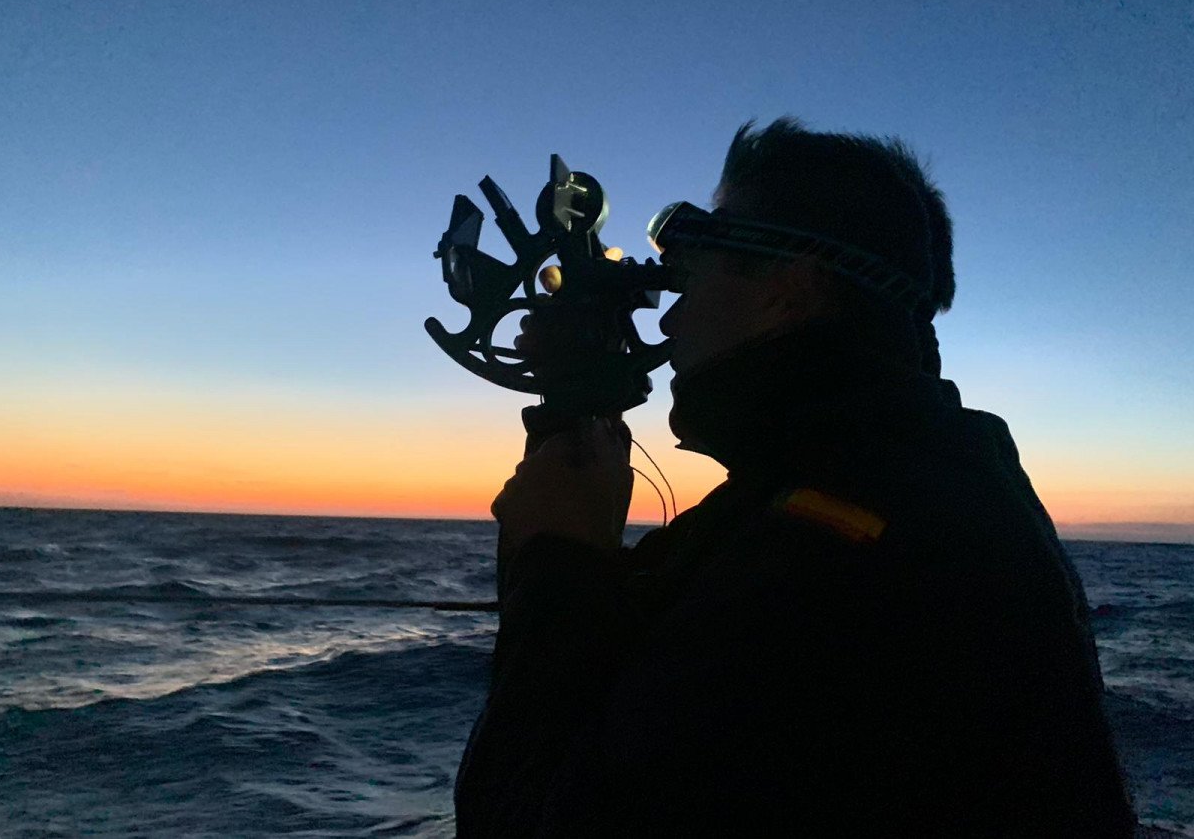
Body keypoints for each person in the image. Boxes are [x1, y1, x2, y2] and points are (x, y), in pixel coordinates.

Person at [454, 118, 1135, 837]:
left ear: (788, 289)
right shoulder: (908, 475)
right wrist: (572, 402)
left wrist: (558, 562)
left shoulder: (838, 551)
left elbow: (535, 819)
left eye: (693, 277)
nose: (670, 320)